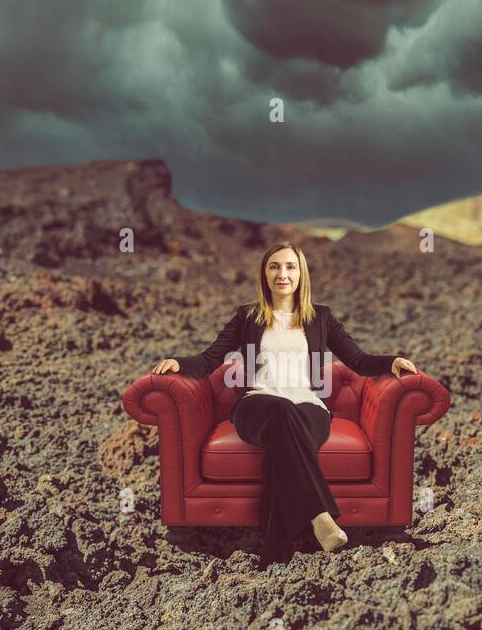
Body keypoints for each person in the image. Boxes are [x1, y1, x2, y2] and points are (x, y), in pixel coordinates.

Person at [151, 241, 418, 567]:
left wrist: (391, 362)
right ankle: (320, 515)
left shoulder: (321, 317)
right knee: (280, 410)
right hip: (257, 404)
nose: (282, 273)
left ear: (301, 273)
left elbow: (358, 360)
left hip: (309, 406)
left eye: (290, 266)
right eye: (274, 266)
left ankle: (275, 557)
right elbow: (210, 359)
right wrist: (179, 364)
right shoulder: (247, 316)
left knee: (285, 436)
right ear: (264, 274)